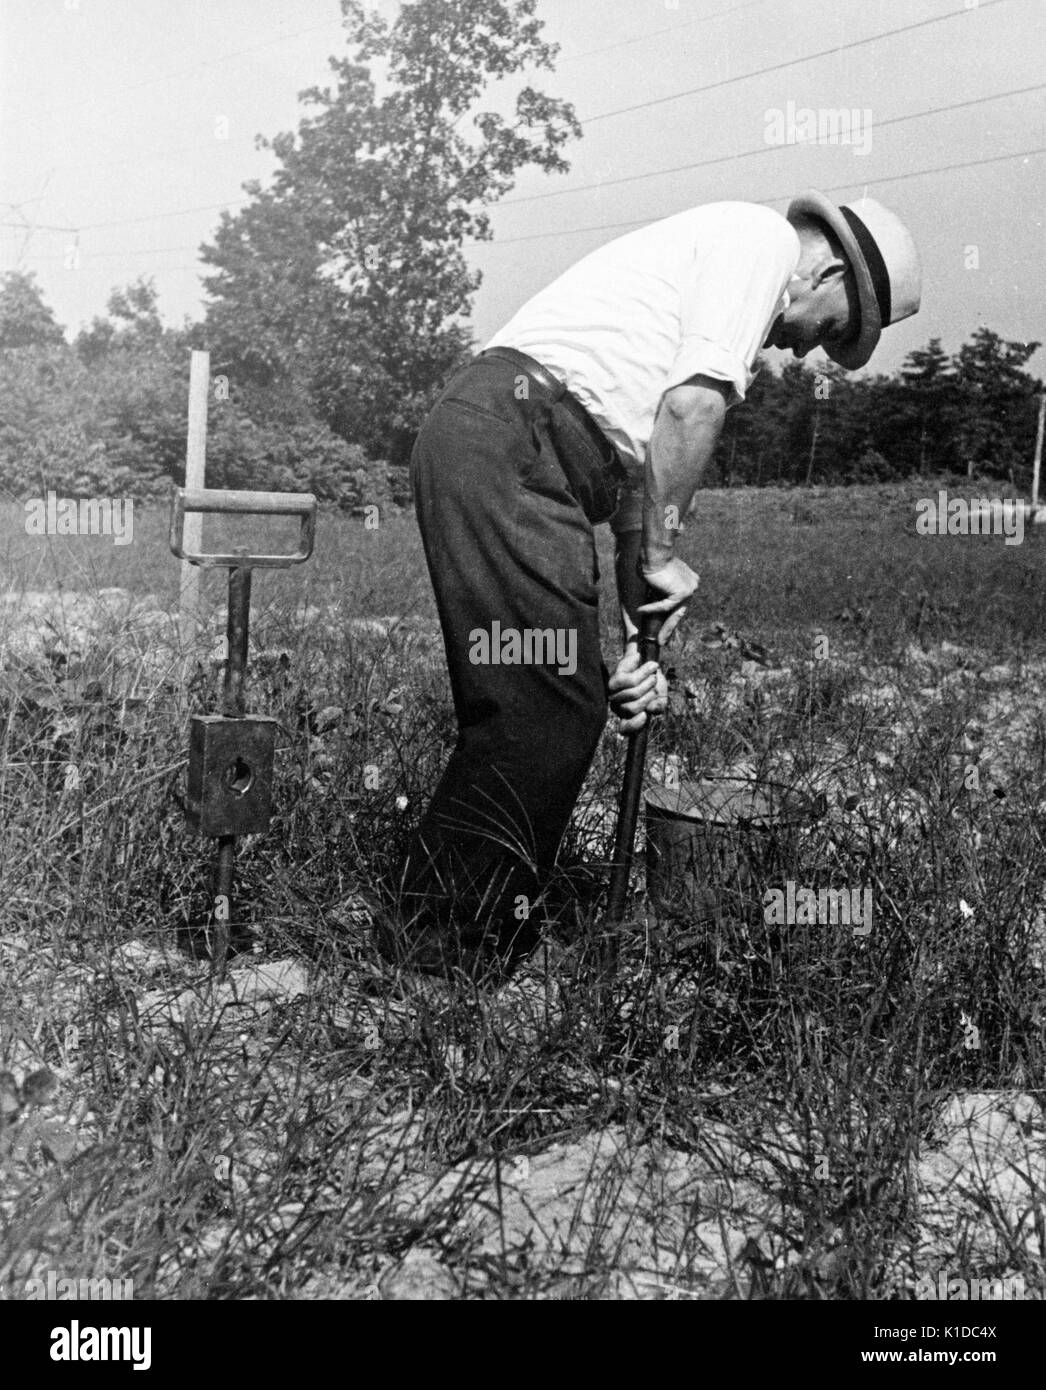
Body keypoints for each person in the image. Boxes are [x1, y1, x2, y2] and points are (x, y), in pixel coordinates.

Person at [381, 189, 921, 980]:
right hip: (513, 438)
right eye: (833, 329)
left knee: (553, 695)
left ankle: (451, 939)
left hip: (530, 451)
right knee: (545, 702)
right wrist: (665, 554)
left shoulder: (719, 270)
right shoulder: (759, 241)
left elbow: (640, 494)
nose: (807, 350)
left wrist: (642, 647)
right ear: (828, 270)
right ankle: (436, 959)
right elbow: (691, 410)